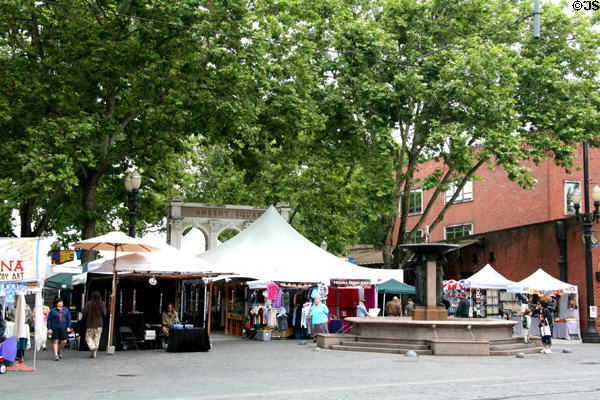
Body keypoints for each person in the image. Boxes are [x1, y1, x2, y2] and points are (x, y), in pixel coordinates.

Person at [82, 291, 106, 358]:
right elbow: (105, 313)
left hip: (90, 323)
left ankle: (92, 347)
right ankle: (94, 353)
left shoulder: (89, 303)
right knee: (97, 338)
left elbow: (84, 312)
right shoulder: (102, 304)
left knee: (88, 337)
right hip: (99, 324)